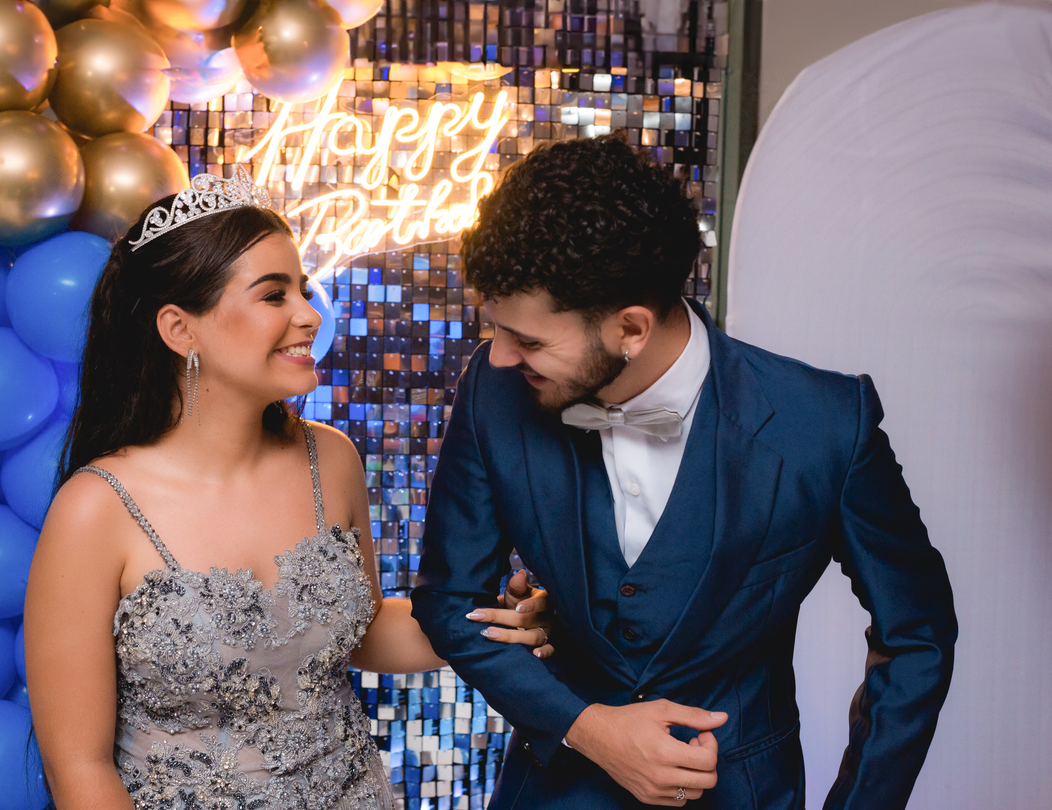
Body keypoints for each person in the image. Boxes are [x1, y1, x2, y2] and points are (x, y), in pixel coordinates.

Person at [410, 132, 958, 809]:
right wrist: (587, 728)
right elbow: (448, 600)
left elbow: (918, 636)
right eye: (495, 327)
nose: (498, 356)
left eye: (527, 339)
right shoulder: (492, 391)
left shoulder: (826, 425)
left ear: (630, 330)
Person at [23, 167, 553, 809]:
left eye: (302, 289)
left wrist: (487, 622)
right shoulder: (95, 508)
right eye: (275, 295)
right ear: (180, 330)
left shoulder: (330, 458)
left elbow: (358, 632)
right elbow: (78, 770)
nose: (309, 314)